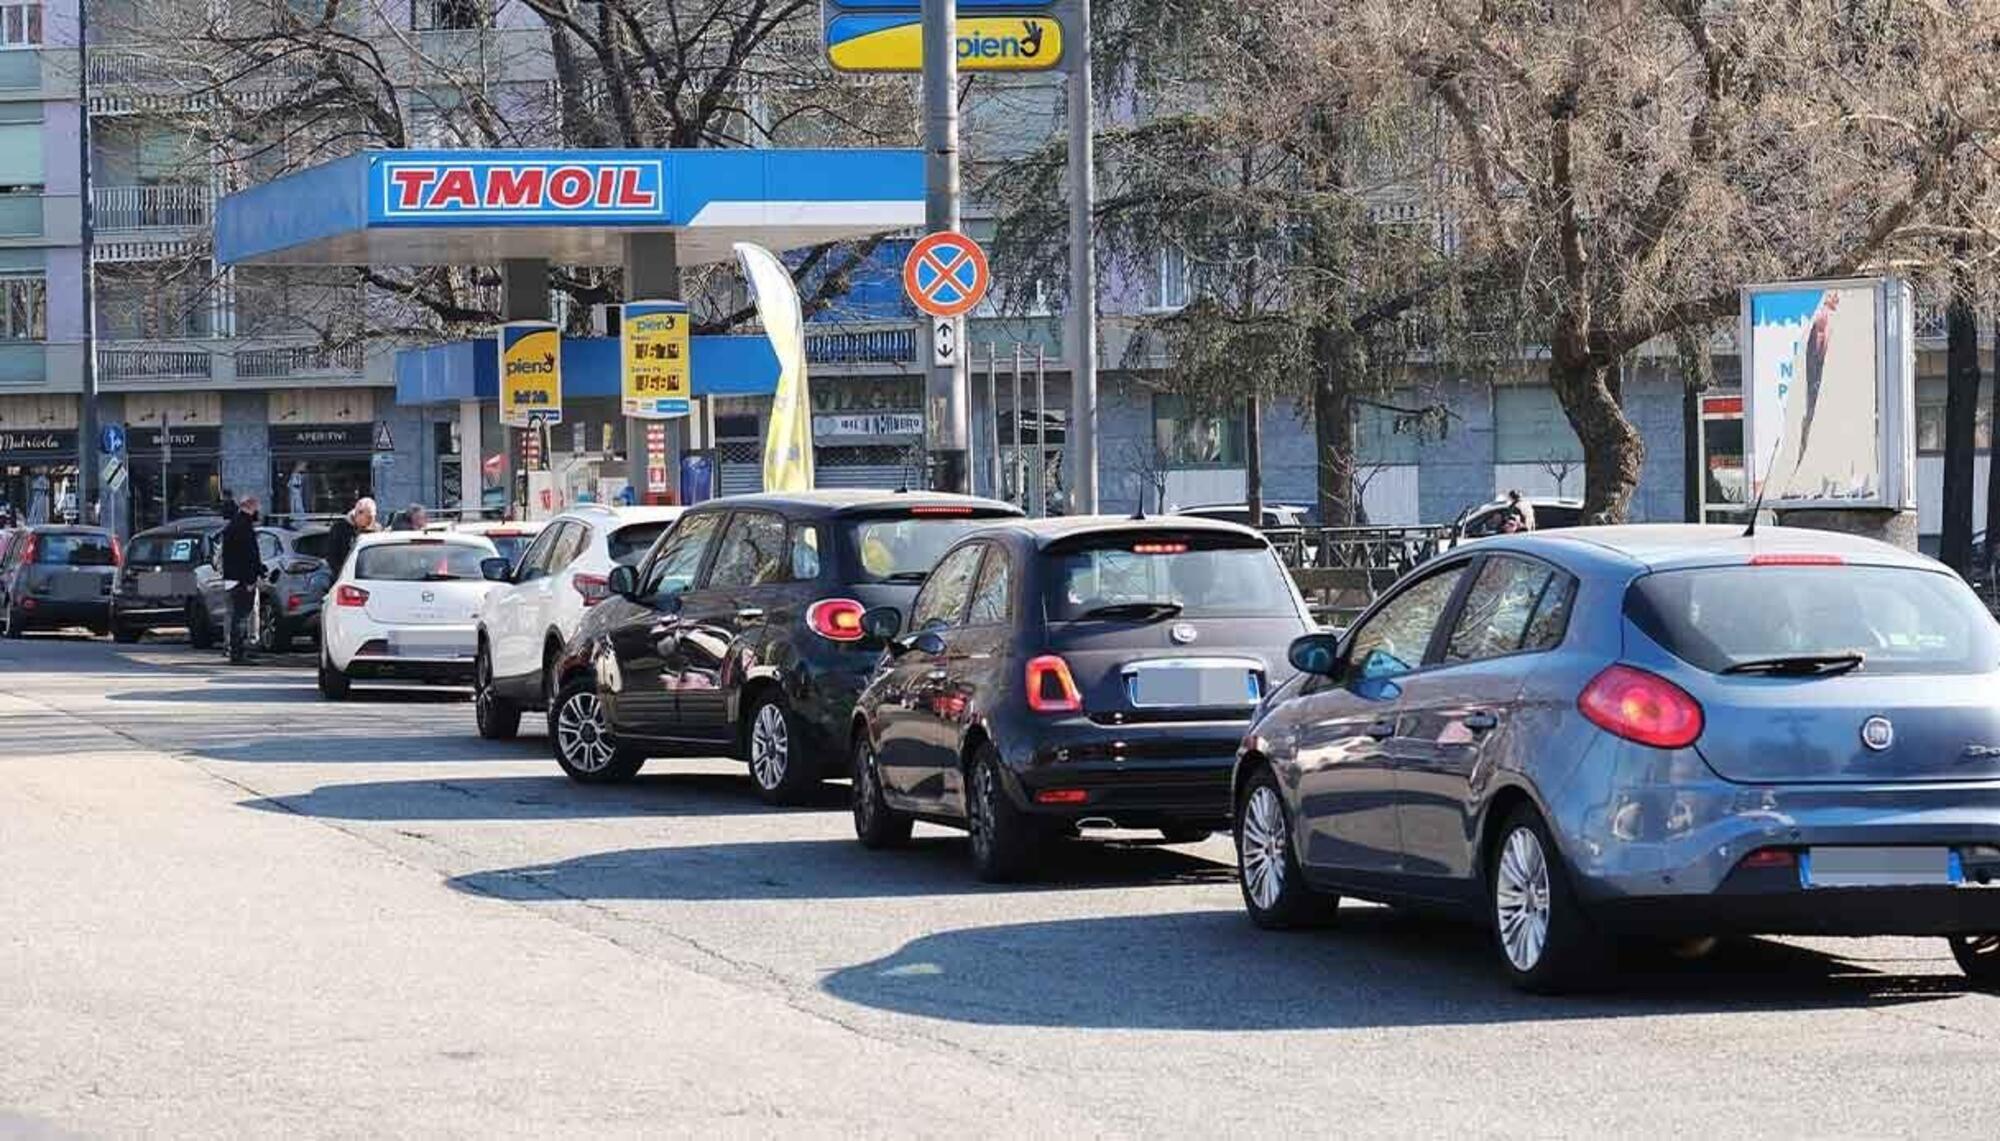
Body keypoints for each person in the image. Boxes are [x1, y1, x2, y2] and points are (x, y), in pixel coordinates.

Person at [220, 493, 263, 664]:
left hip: (233, 578)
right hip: (241, 579)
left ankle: (235, 650)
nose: (258, 512)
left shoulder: (234, 525)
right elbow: (248, 555)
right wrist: (250, 579)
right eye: (256, 508)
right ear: (250, 507)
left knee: (235, 616)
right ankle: (238, 653)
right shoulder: (243, 527)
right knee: (241, 616)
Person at [324, 497, 376, 581]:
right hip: (343, 577)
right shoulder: (340, 529)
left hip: (369, 577)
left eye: (373, 517)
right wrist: (342, 574)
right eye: (368, 517)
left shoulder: (376, 529)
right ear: (358, 513)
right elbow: (332, 556)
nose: (371, 521)